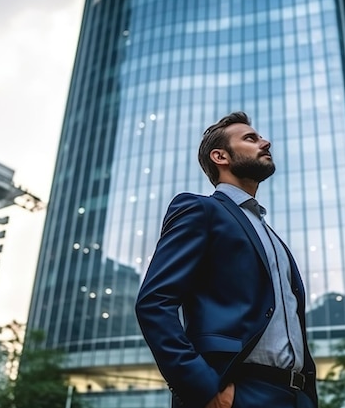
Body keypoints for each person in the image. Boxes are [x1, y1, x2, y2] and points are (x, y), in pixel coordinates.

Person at [135, 111, 318, 408]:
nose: (265, 142)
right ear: (220, 156)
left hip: (297, 396)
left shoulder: (269, 233)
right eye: (251, 138)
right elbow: (154, 303)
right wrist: (205, 390)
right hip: (238, 392)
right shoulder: (200, 210)